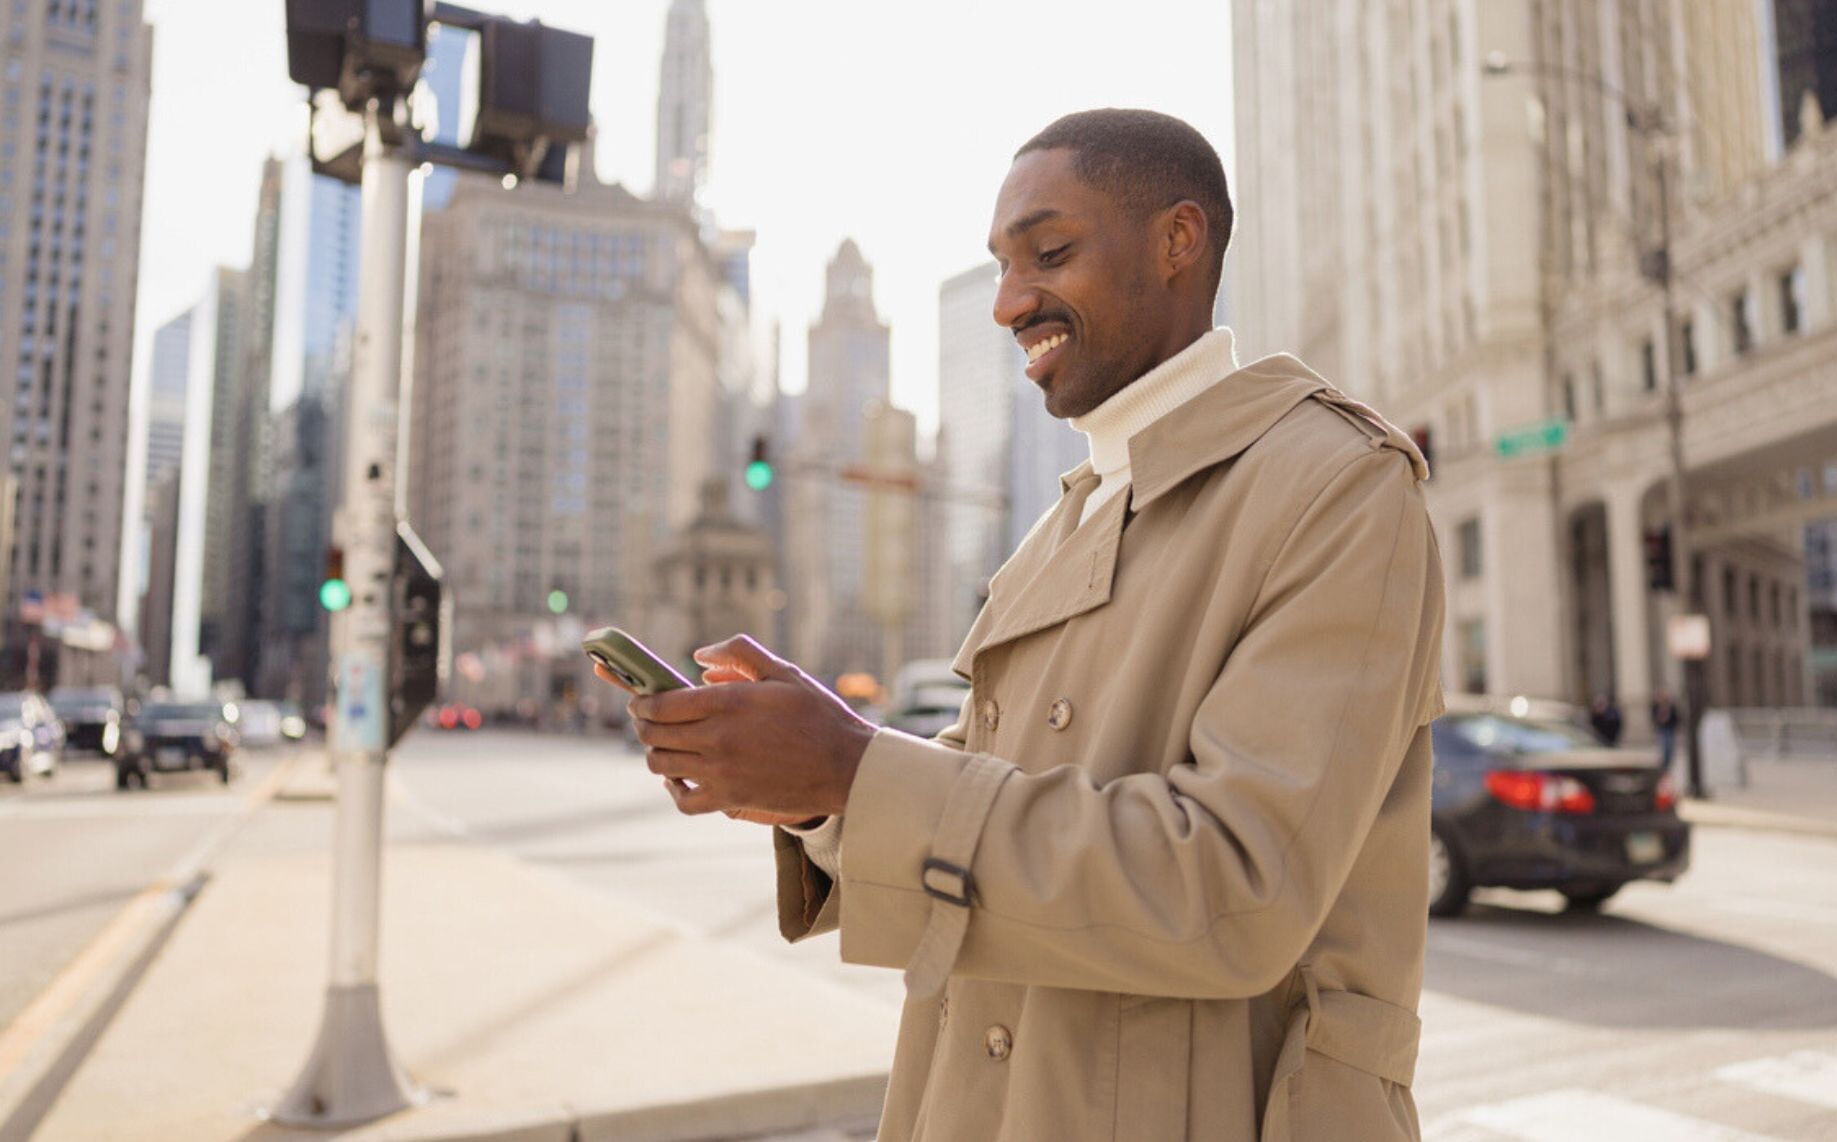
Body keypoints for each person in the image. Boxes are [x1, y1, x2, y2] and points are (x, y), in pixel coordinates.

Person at [601, 110, 1444, 1140]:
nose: (1008, 303)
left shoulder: (1337, 488)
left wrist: (854, 770)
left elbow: (1236, 884)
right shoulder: (1062, 523)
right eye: (999, 266)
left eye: (1048, 254)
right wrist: (808, 792)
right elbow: (972, 796)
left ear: (1178, 241)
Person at [1649, 689, 1681, 772]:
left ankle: (1668, 762)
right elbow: (1653, 716)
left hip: (1670, 728)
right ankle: (1664, 763)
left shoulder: (1671, 706)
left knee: (1670, 746)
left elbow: (1676, 717)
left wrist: (1675, 725)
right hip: (1662, 728)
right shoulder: (1656, 706)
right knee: (1664, 745)